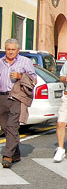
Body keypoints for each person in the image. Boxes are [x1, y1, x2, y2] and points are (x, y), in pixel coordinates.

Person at [0, 39, 36, 168]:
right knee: (5, 127)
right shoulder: (1, 62)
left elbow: (34, 79)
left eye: (13, 50)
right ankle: (16, 153)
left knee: (12, 126)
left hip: (16, 97)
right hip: (2, 97)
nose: (10, 52)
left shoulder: (25, 62)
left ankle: (7, 156)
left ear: (18, 50)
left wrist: (21, 76)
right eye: (8, 49)